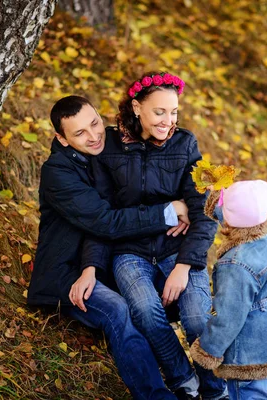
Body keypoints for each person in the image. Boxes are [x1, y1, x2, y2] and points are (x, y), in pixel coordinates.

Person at [27, 95, 193, 399]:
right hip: (65, 271)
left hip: (99, 263)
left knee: (152, 301)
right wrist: (168, 211)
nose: (93, 136)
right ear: (61, 139)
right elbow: (105, 221)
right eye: (80, 133)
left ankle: (188, 381)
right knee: (119, 310)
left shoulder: (106, 152)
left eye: (94, 123)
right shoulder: (58, 173)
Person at [81, 72, 228, 400]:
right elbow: (102, 218)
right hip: (129, 252)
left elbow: (203, 212)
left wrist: (184, 266)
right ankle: (183, 381)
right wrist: (91, 266)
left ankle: (216, 391)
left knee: (196, 319)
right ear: (137, 107)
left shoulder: (185, 144)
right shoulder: (109, 149)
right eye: (160, 112)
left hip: (178, 250)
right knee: (146, 313)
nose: (168, 121)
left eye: (174, 112)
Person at [190, 180, 267, 400]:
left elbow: (228, 316)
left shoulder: (236, 266)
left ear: (231, 220)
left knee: (249, 395)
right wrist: (215, 200)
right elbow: (239, 214)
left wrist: (208, 350)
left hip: (247, 353)